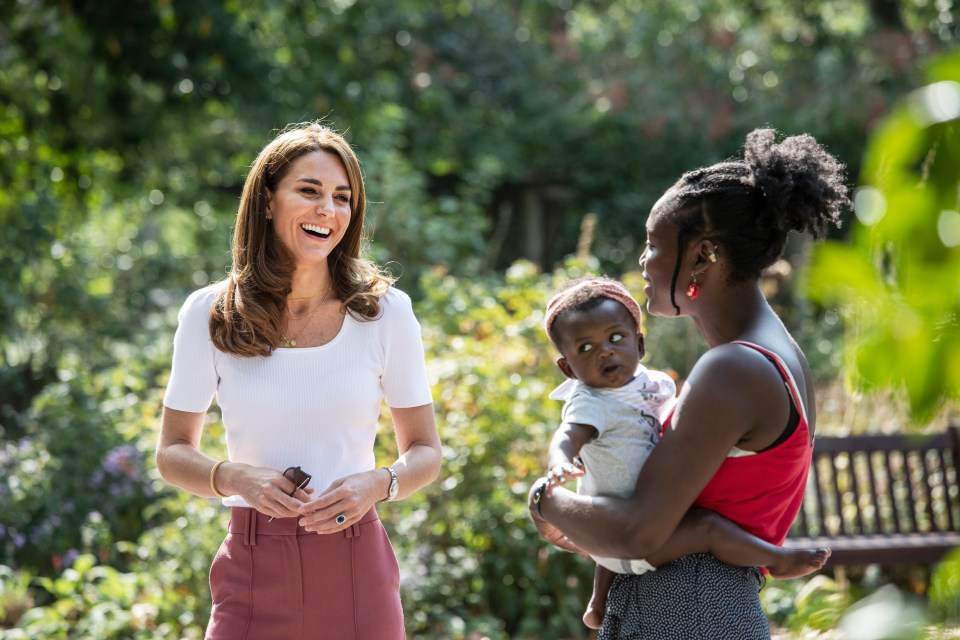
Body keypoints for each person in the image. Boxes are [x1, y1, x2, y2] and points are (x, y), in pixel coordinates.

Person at [529, 128, 850, 639]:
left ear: (702, 256)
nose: (643, 262)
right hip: (705, 602)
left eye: (654, 244)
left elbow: (638, 531)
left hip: (688, 608)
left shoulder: (735, 367)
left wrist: (544, 501)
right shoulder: (773, 351)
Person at [156, 122, 441, 640]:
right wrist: (236, 477)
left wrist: (379, 483)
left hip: (358, 570)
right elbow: (173, 452)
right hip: (251, 565)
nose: (326, 211)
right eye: (308, 191)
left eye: (342, 198)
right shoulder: (211, 314)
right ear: (267, 201)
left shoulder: (385, 314)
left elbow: (424, 451)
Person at [540, 276, 829, 630]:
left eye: (616, 338)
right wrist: (558, 469)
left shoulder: (653, 383)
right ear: (568, 368)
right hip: (628, 529)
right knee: (707, 529)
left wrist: (542, 504)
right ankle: (777, 560)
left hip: (644, 539)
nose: (605, 351)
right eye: (585, 348)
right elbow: (566, 436)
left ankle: (598, 604)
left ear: (640, 344)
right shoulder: (589, 401)